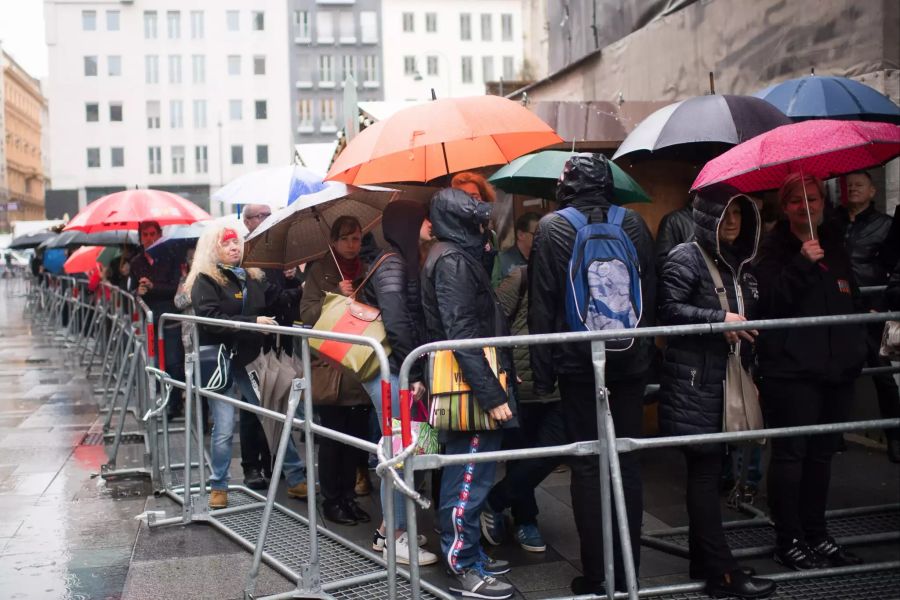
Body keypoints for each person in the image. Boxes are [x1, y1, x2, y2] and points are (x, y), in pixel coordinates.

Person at [529, 153, 655, 595]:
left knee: (586, 465)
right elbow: (649, 296)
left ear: (565, 187)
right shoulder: (634, 224)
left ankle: (597, 575)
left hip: (578, 364)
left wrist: (542, 376)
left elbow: (542, 304)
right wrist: (644, 358)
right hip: (630, 361)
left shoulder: (552, 228)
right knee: (628, 460)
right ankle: (630, 570)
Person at [658, 188, 777, 598]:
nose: (732, 222)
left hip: (726, 379)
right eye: (725, 214)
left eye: (740, 215)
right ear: (707, 217)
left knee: (709, 475)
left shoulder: (740, 263)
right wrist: (717, 318)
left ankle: (706, 563)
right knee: (706, 475)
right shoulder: (684, 257)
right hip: (695, 382)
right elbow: (667, 311)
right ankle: (723, 572)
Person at [755, 173, 867, 570]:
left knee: (822, 456)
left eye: (814, 199)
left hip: (836, 370)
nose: (807, 206)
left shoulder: (834, 243)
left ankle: (817, 534)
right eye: (796, 201)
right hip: (792, 372)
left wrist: (858, 347)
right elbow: (768, 304)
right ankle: (788, 539)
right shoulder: (772, 249)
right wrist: (801, 264)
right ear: (784, 207)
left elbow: (848, 294)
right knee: (791, 457)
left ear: (823, 201)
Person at [421, 188, 517, 600]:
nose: (485, 224)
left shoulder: (453, 255)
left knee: (470, 474)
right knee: (468, 477)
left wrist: (486, 251)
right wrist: (493, 396)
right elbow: (462, 333)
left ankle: (470, 555)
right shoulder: (453, 261)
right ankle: (464, 565)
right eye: (478, 220)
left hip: (472, 380)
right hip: (472, 386)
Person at [188, 224, 309, 509]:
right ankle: (219, 486)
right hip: (218, 361)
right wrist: (253, 323)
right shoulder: (204, 279)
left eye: (237, 243)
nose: (234, 247)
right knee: (224, 426)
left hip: (249, 358)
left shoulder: (253, 277)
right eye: (227, 243)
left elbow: (280, 300)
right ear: (212, 248)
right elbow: (209, 318)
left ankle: (295, 478)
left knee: (272, 415)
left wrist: (306, 285)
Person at [355, 200, 438, 566]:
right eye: (424, 218)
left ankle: (388, 530)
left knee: (402, 448)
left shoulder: (398, 259)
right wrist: (414, 373)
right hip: (392, 370)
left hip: (394, 368)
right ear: (408, 224)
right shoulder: (392, 264)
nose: (430, 224)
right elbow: (398, 323)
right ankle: (397, 538)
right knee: (402, 451)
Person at [479, 258, 565, 554]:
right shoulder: (522, 277)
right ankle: (527, 521)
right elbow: (492, 320)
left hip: (560, 382)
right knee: (522, 453)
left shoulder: (576, 275)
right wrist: (504, 365)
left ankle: (495, 501)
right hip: (522, 383)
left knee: (555, 448)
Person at [298, 216, 372, 526]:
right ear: (333, 241)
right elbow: (307, 314)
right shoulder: (320, 270)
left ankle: (348, 497)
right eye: (346, 239)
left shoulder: (368, 268)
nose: (352, 245)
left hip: (360, 362)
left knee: (356, 436)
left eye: (356, 238)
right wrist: (338, 298)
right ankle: (332, 500)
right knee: (332, 437)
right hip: (331, 365)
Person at [832, 171, 899, 463]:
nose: (853, 189)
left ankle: (895, 438)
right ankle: (834, 435)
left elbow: (894, 270)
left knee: (882, 375)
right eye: (849, 185)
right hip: (838, 309)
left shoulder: (886, 226)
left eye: (860, 184)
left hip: (872, 311)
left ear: (873, 191)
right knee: (836, 373)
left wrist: (880, 304)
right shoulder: (832, 224)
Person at [240, 204, 304, 489]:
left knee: (277, 399)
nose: (267, 220)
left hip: (281, 337)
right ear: (248, 221)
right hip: (257, 339)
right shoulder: (246, 253)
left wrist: (294, 278)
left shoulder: (280, 250)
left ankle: (270, 463)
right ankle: (252, 466)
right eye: (261, 215)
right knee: (254, 405)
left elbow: (288, 296)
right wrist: (296, 290)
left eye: (269, 215)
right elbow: (270, 297)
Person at [496, 212, 540, 280]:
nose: (541, 238)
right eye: (537, 234)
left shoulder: (544, 259)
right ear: (520, 235)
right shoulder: (501, 260)